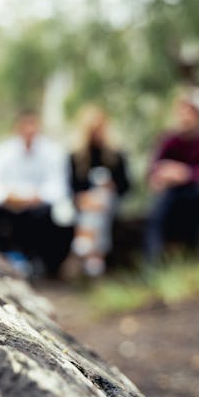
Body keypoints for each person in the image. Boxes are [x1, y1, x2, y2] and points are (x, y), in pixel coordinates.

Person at [0, 110, 72, 277]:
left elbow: (58, 186)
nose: (29, 132)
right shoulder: (2, 152)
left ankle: (36, 261)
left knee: (43, 214)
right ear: (17, 129)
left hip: (37, 205)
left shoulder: (52, 152)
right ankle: (8, 258)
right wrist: (7, 197)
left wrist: (37, 197)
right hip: (10, 204)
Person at [145, 92, 199, 262]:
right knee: (159, 211)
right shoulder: (169, 141)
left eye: (190, 112)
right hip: (171, 193)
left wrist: (186, 173)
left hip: (196, 193)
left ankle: (194, 258)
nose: (185, 117)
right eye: (182, 111)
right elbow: (153, 170)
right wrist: (161, 176)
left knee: (198, 201)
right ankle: (153, 263)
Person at [68, 104, 130, 276]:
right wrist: (84, 199)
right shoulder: (76, 156)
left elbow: (125, 186)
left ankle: (84, 244)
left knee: (102, 201)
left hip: (108, 203)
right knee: (94, 206)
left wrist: (111, 187)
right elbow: (72, 189)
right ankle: (97, 257)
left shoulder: (116, 155)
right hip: (86, 204)